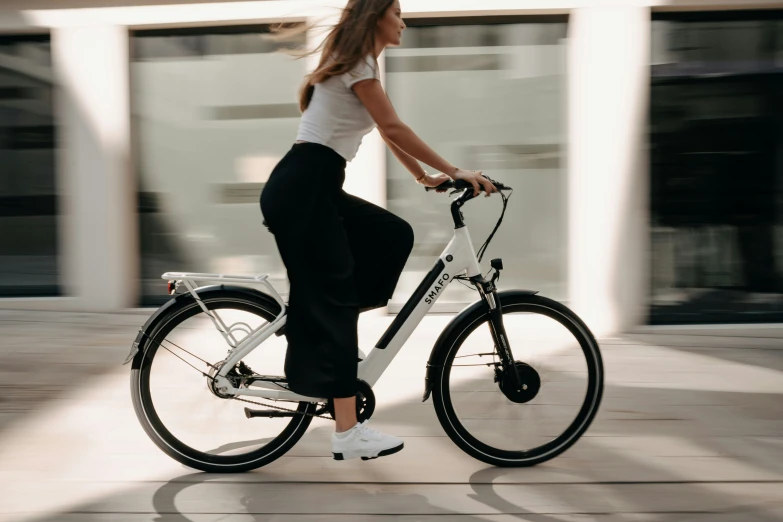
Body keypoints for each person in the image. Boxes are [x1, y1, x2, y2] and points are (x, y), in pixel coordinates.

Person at [260, 0, 496, 461]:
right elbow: (393, 125)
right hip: (305, 186)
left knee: (390, 234)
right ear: (376, 17)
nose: (403, 22)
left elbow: (387, 133)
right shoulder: (361, 66)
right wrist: (454, 170)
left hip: (313, 185)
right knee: (335, 299)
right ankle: (348, 434)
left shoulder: (355, 66)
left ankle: (330, 331)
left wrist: (423, 176)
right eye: (398, 13)